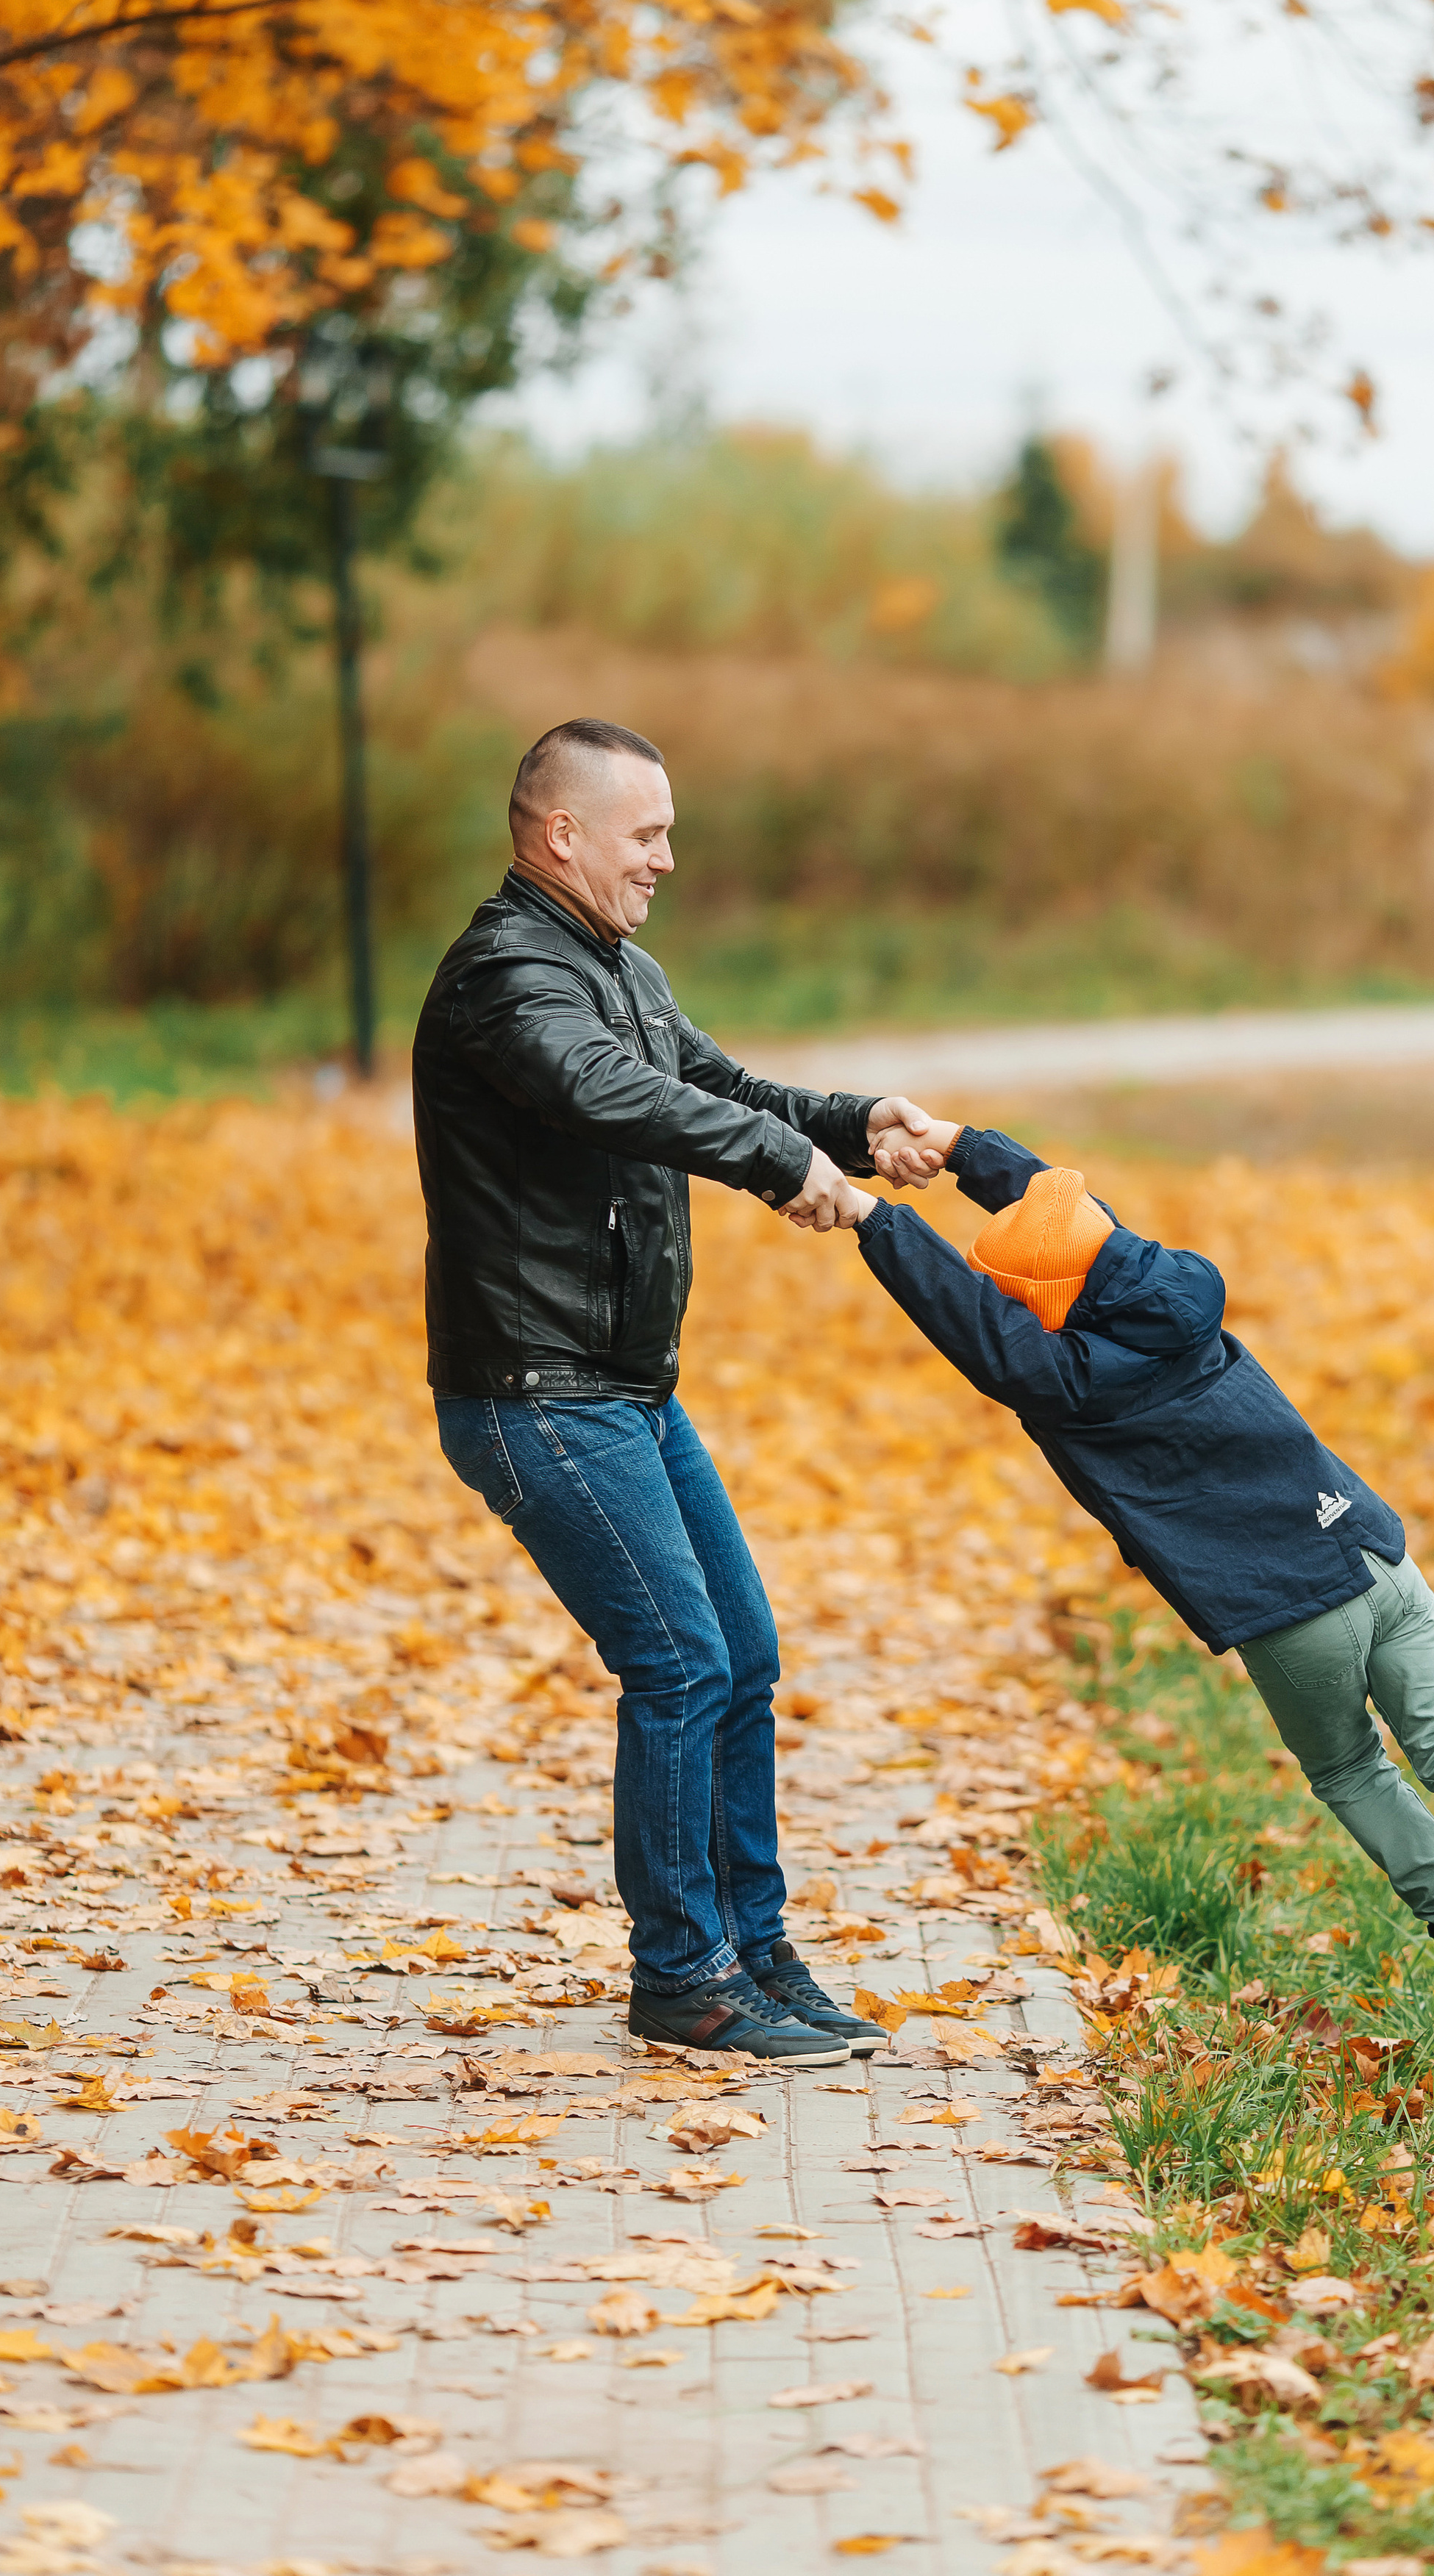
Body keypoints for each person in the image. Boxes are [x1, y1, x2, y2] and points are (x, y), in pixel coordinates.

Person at [846, 1117, 1434, 2007]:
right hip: (1373, 1548)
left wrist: (868, 1219)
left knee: (1350, 1770)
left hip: (1290, 1602)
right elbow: (1075, 1225)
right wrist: (961, 1145)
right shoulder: (1170, 1289)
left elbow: (977, 1329)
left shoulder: (1067, 1383)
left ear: (1039, 1306)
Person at [413, 716, 941, 2065]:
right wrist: (775, 1165)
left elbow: (715, 1082)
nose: (665, 858)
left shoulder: (620, 968)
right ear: (561, 834)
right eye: (645, 833)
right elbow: (606, 1096)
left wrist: (851, 1122)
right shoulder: (505, 980)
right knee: (680, 1661)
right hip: (537, 1391)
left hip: (626, 1388)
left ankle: (756, 1955)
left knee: (741, 1657)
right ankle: (684, 1980)